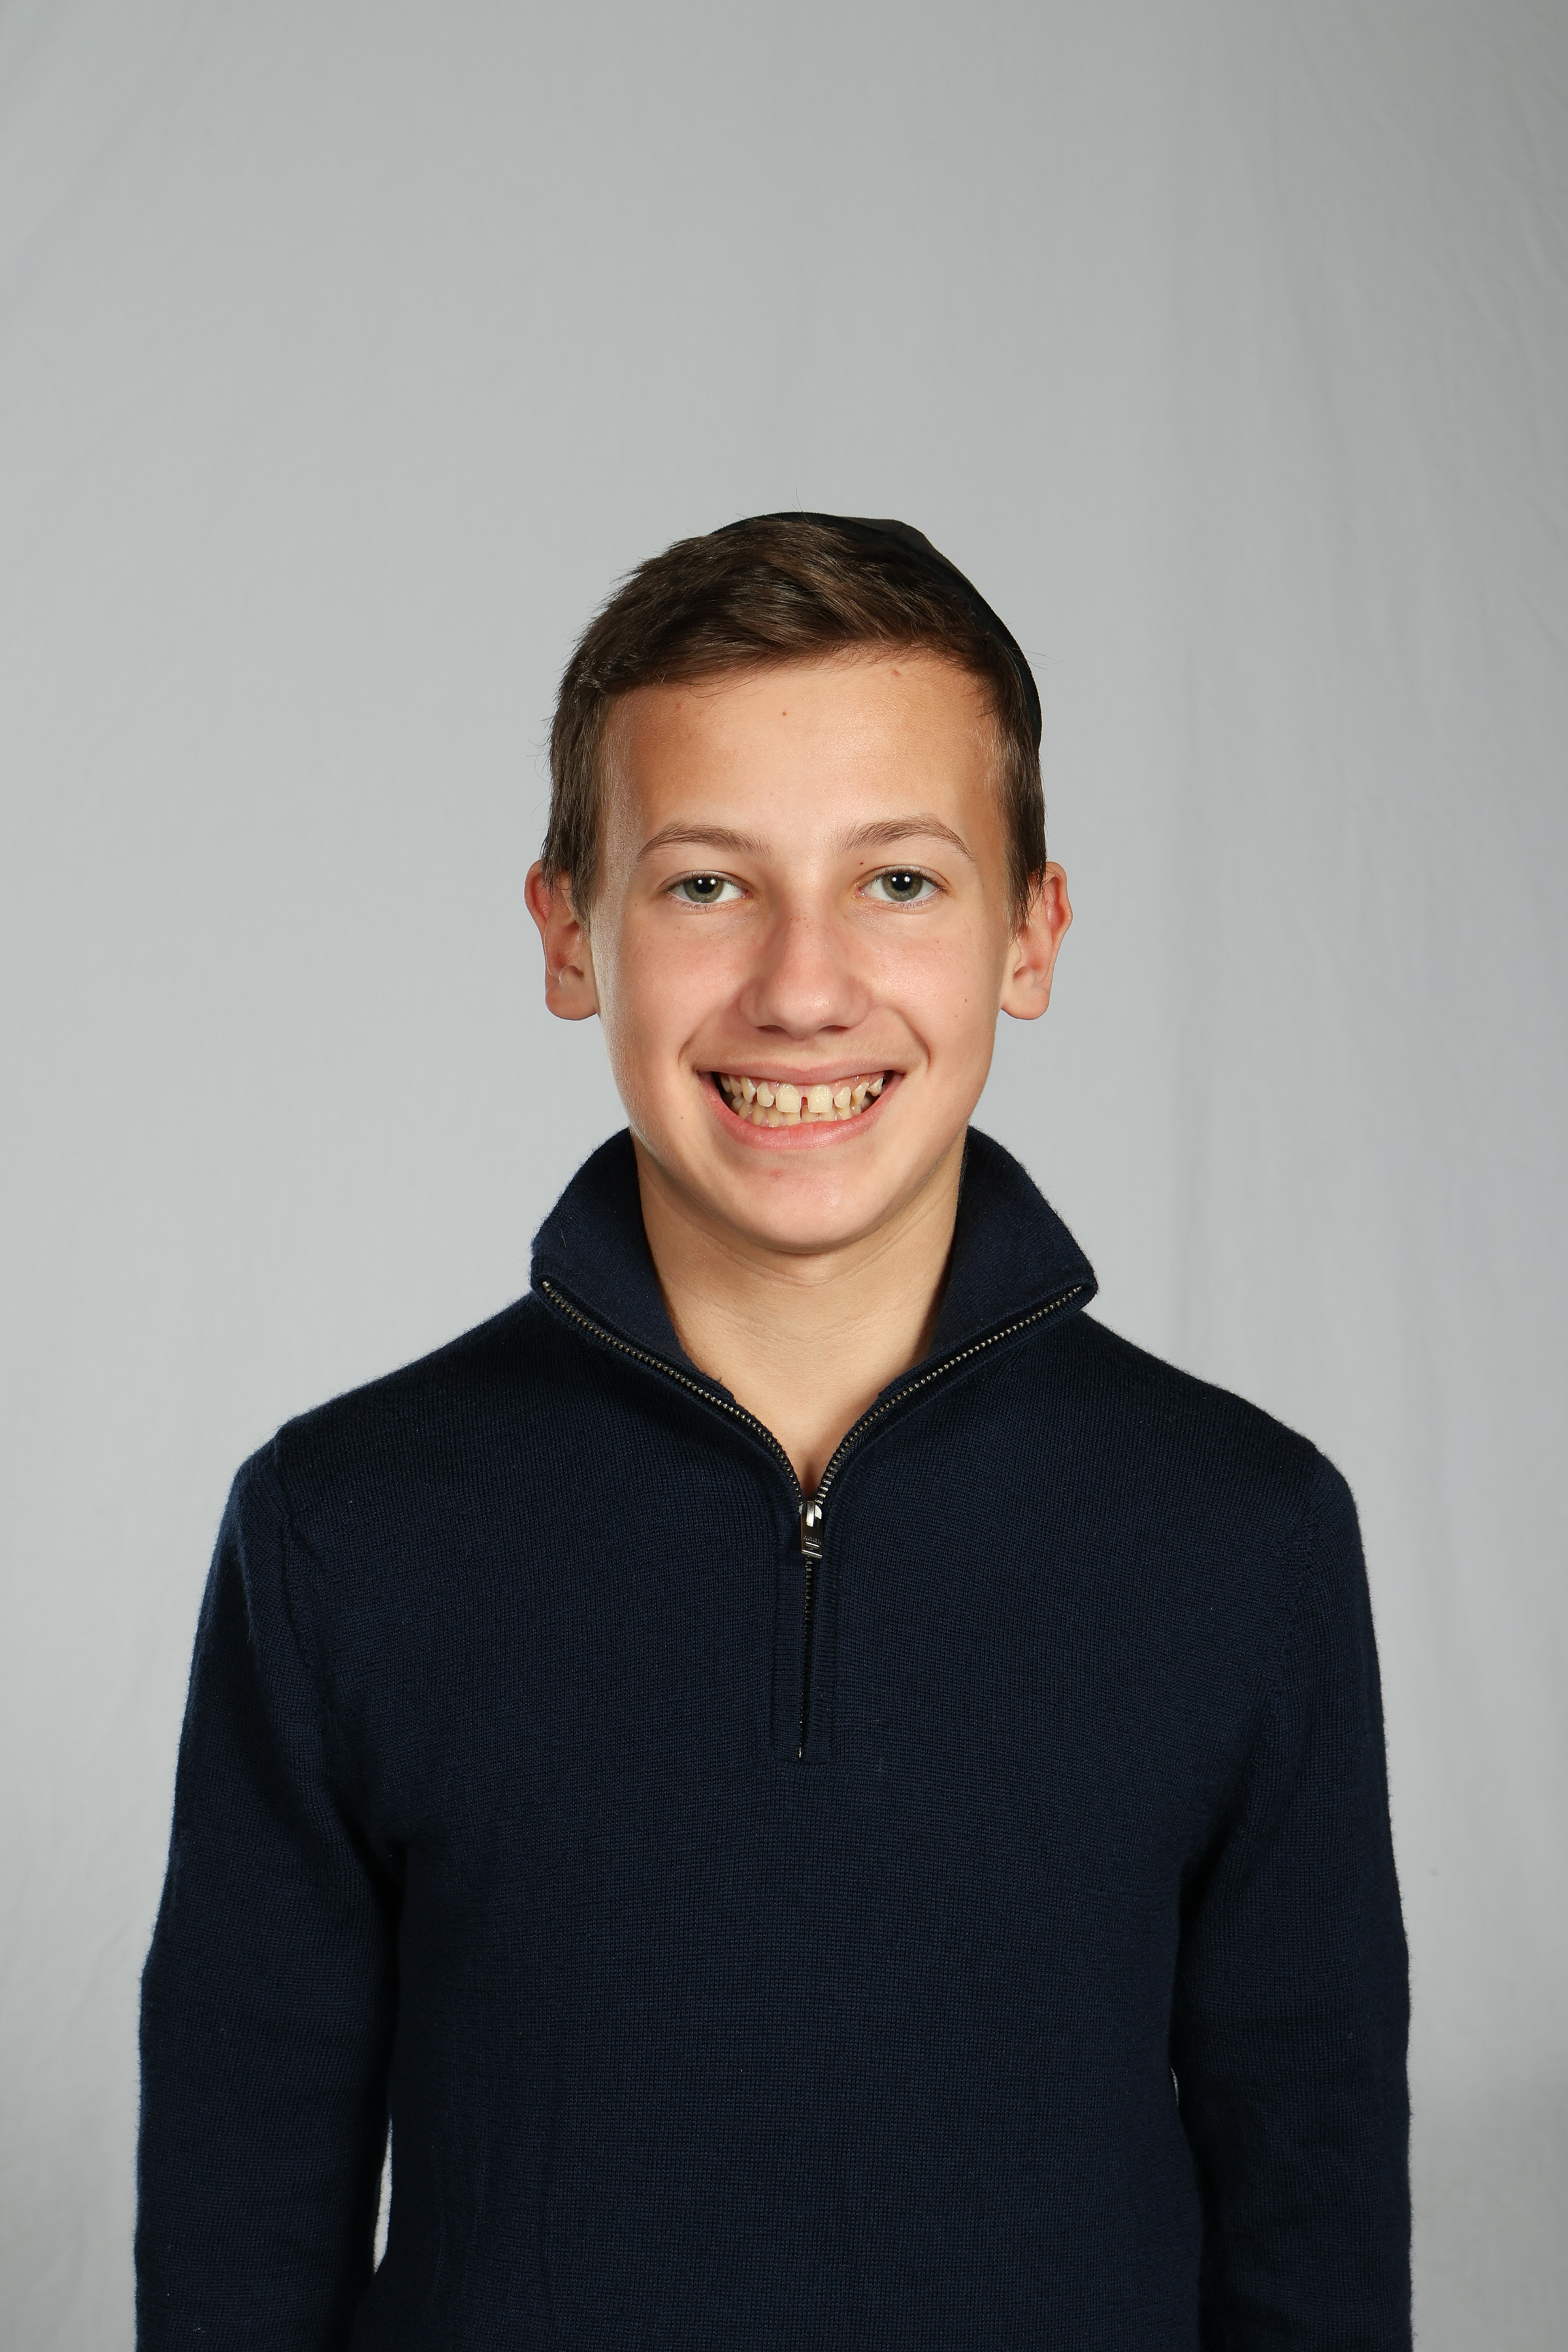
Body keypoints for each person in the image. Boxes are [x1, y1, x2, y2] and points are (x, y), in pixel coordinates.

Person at [137, 515, 1412, 2348]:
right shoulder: (340, 1531)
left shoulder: (1245, 1535)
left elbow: (1316, 2220)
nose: (804, 987)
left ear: (1032, 932)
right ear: (568, 932)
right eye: (706, 885)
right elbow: (236, 2240)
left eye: (898, 880)